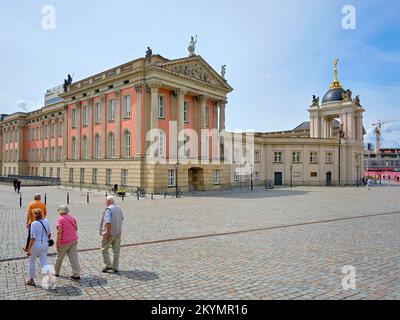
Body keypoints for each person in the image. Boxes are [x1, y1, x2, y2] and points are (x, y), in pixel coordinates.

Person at [26, 208, 52, 286]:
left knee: (32, 261)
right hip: (45, 244)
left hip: (36, 244)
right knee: (44, 262)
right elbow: (49, 234)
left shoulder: (34, 224)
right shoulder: (46, 221)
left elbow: (32, 238)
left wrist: (28, 249)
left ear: (35, 215)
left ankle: (31, 280)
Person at [54, 205, 80, 280]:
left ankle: (56, 272)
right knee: (74, 258)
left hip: (64, 242)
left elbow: (59, 232)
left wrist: (57, 243)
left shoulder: (60, 220)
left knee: (59, 257)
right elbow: (76, 228)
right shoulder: (72, 217)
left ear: (61, 211)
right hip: (74, 240)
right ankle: (76, 274)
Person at [100, 196, 124, 273]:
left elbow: (108, 222)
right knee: (116, 251)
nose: (105, 203)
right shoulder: (119, 208)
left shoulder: (109, 209)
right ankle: (115, 267)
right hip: (118, 232)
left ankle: (108, 265)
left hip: (110, 233)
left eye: (106, 201)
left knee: (104, 249)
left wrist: (107, 233)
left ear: (109, 201)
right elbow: (122, 219)